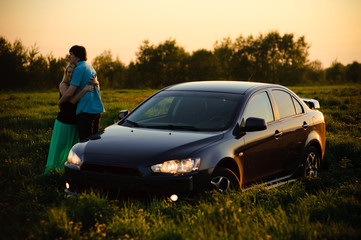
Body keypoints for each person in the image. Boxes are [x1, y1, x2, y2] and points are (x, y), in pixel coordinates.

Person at [44, 63, 95, 174]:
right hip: (64, 122)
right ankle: (52, 172)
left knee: (70, 150)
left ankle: (64, 171)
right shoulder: (64, 85)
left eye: (73, 72)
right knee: (59, 149)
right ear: (65, 73)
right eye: (69, 72)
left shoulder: (76, 87)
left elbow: (94, 85)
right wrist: (84, 90)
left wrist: (94, 82)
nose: (71, 74)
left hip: (74, 123)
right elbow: (72, 100)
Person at [59, 45, 105, 141]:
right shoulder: (90, 67)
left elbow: (69, 93)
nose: (69, 57)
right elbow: (98, 87)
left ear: (77, 56)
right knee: (94, 141)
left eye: (71, 54)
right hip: (96, 109)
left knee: (85, 142)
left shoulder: (79, 69)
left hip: (85, 110)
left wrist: (60, 102)